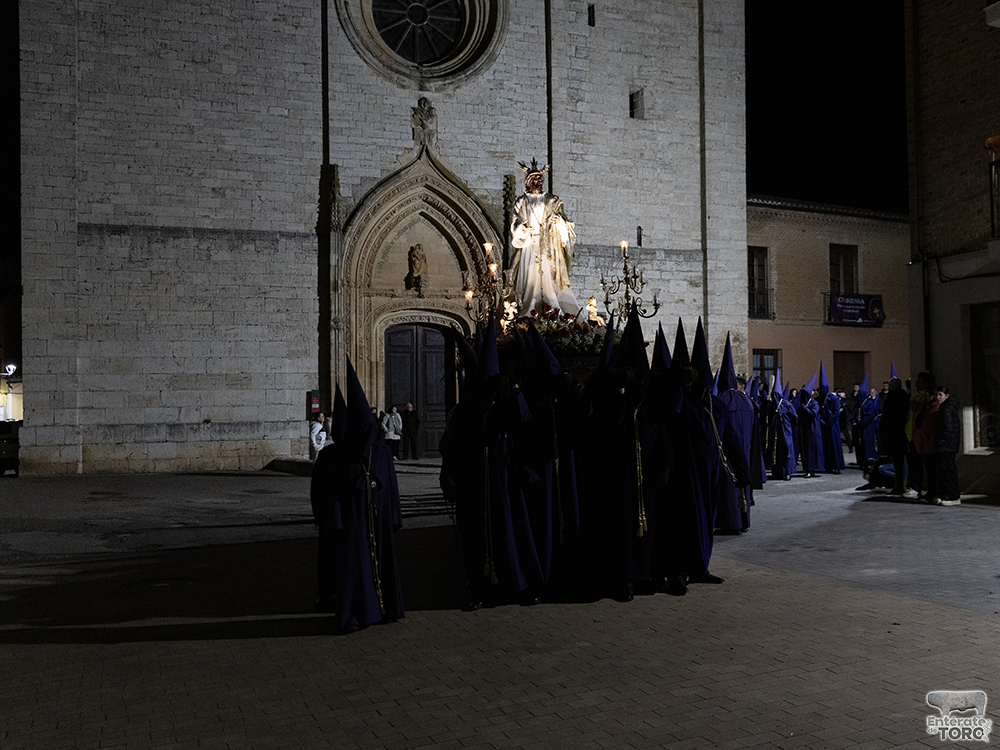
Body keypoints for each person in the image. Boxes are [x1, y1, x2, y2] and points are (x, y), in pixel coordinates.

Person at [310, 359, 404, 633]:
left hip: (378, 523)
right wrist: (333, 522)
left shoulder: (382, 453)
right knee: (356, 568)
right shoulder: (338, 457)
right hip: (353, 525)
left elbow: (393, 489)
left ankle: (386, 607)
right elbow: (331, 493)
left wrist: (394, 517)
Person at [509, 159, 580, 316]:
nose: (537, 182)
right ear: (527, 181)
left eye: (539, 179)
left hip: (548, 243)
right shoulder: (521, 201)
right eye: (533, 179)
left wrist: (559, 222)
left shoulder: (552, 200)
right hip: (529, 243)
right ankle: (528, 307)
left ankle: (552, 308)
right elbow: (515, 224)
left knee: (549, 274)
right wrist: (522, 229)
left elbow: (566, 223)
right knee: (529, 275)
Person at [879, 378, 910, 495]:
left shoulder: (897, 397)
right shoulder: (900, 396)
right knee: (898, 459)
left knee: (899, 460)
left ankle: (901, 484)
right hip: (895, 433)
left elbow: (891, 416)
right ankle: (901, 483)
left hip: (896, 433)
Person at [934, 386, 961, 505]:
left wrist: (941, 441)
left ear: (947, 395)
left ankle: (952, 496)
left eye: (940, 394)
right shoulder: (946, 407)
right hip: (948, 444)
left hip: (947, 444)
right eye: (937, 395)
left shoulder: (946, 408)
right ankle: (944, 494)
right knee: (944, 470)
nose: (938, 397)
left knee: (948, 470)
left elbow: (947, 427)